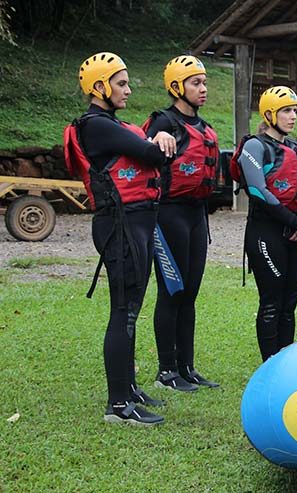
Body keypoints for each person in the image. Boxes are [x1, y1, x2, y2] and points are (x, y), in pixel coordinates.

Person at [64, 52, 176, 425]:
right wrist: (158, 137)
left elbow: (152, 149)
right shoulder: (96, 125)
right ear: (100, 87)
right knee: (123, 313)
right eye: (121, 83)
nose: (128, 89)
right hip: (120, 225)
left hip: (136, 224)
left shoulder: (113, 123)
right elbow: (152, 154)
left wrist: (158, 136)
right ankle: (118, 405)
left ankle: (128, 389)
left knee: (131, 311)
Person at [142, 55, 219, 391]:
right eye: (195, 83)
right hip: (169, 215)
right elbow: (140, 154)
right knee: (171, 292)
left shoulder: (203, 127)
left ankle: (186, 367)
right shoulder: (163, 122)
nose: (203, 89)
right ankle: (166, 371)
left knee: (190, 294)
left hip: (196, 215)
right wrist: (152, 141)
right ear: (176, 87)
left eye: (203, 82)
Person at [231, 86, 297, 362]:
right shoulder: (255, 146)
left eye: (294, 110)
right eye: (286, 111)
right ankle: (269, 366)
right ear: (269, 114)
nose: (293, 116)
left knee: (289, 305)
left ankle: (284, 363)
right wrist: (295, 223)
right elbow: (257, 190)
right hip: (266, 233)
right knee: (272, 303)